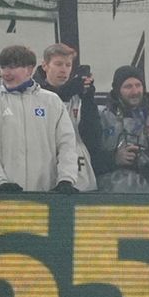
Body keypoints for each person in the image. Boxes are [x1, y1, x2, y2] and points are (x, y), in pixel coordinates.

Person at [0, 45, 80, 193]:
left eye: (13, 67)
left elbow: (67, 145)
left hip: (45, 196)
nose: (6, 72)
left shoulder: (51, 101)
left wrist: (66, 180)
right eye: (3, 67)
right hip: (2, 197)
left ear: (29, 69)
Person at [33, 44, 103, 193]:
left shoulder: (77, 94)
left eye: (68, 65)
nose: (63, 69)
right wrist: (63, 95)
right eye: (58, 64)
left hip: (80, 175)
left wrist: (89, 100)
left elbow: (93, 138)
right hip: (44, 175)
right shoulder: (32, 94)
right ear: (45, 65)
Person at [99, 66, 149, 193]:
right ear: (117, 90)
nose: (135, 91)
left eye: (138, 85)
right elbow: (92, 156)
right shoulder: (103, 117)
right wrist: (114, 158)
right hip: (110, 195)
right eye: (128, 87)